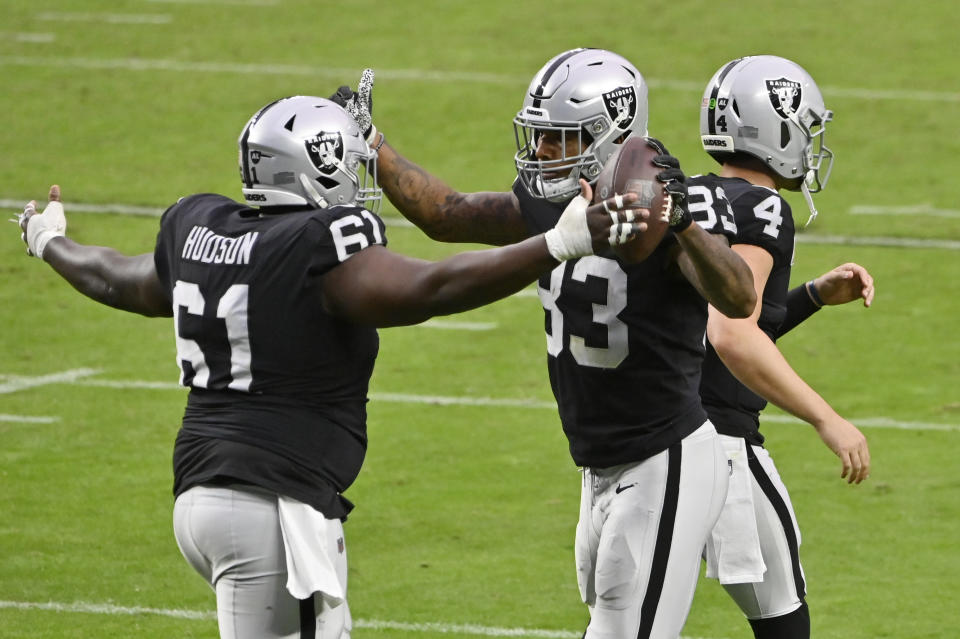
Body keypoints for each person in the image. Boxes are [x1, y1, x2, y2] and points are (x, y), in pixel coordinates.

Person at [14, 96, 646, 639]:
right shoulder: (319, 246)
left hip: (203, 496)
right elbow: (430, 289)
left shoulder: (201, 229)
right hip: (272, 505)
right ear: (312, 170)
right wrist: (557, 243)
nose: (355, 180)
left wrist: (50, 242)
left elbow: (118, 280)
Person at [332, 48, 757, 638]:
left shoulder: (661, 206)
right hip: (598, 463)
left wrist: (683, 222)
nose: (541, 154)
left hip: (667, 458)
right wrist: (372, 144)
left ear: (611, 134)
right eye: (540, 138)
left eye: (560, 139)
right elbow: (447, 214)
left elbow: (739, 299)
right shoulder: (553, 202)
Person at [693, 55, 873, 639]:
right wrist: (827, 419)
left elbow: (714, 325)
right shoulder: (766, 207)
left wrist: (813, 296)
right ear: (775, 129)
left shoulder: (689, 198)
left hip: (647, 438)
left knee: (633, 621)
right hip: (717, 449)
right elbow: (730, 332)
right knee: (783, 620)